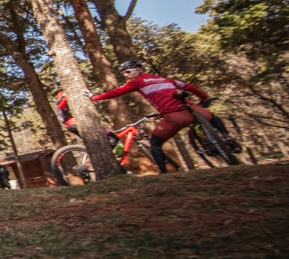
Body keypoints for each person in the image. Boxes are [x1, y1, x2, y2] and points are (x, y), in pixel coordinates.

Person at [90, 61, 237, 174]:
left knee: (155, 143)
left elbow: (116, 92)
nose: (127, 75)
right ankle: (226, 136)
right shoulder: (165, 79)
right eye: (124, 74)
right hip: (191, 109)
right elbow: (188, 86)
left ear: (140, 70)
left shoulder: (137, 82)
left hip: (174, 117)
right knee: (212, 117)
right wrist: (204, 98)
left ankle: (164, 172)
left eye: (129, 71)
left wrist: (94, 98)